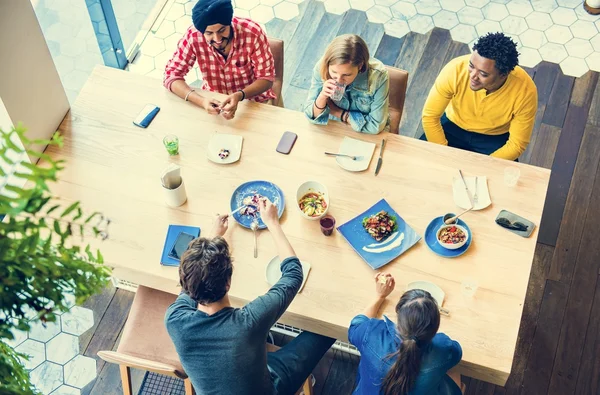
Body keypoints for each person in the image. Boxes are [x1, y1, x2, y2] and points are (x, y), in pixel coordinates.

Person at [164, 198, 335, 395]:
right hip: (268, 388)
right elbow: (294, 274)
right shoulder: (248, 323)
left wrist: (213, 240)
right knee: (326, 329)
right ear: (228, 282)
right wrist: (272, 222)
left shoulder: (174, 319)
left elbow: (192, 280)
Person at [421, 32, 538, 161]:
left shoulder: (526, 92)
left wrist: (483, 165)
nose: (472, 76)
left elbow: (517, 144)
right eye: (471, 66)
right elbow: (430, 117)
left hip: (493, 138)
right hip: (451, 126)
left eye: (483, 73)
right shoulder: (455, 70)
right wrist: (444, 155)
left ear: (503, 75)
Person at [348, 273, 464, 395]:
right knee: (454, 370)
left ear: (398, 318)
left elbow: (355, 326)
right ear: (435, 329)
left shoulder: (372, 334)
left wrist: (379, 296)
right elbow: (457, 354)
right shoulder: (444, 348)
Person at [163, 0, 276, 120]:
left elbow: (266, 78)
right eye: (209, 33)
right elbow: (171, 75)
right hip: (213, 101)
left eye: (222, 30)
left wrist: (240, 95)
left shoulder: (252, 33)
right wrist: (202, 101)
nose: (217, 39)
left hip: (253, 99)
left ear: (229, 23)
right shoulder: (193, 37)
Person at [304, 34, 389, 134]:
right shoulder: (322, 67)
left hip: (364, 132)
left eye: (347, 75)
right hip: (332, 126)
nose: (339, 80)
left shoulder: (378, 77)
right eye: (334, 72)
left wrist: (338, 113)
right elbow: (311, 115)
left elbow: (375, 126)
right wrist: (322, 96)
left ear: (360, 66)